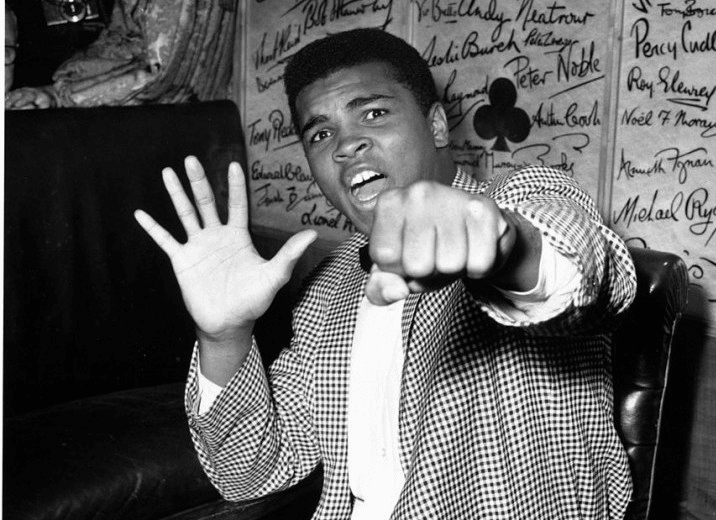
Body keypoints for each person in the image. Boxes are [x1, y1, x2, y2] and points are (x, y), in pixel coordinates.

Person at [135, 28, 637, 520]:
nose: (345, 145)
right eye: (321, 132)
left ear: (437, 126)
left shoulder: (517, 200)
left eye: (373, 113)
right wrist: (224, 339)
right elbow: (251, 474)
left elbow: (579, 263)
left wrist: (506, 247)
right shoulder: (328, 288)